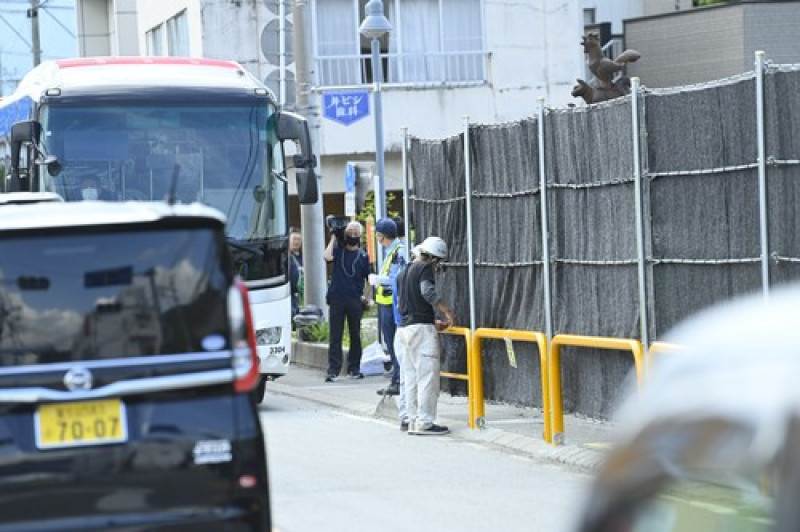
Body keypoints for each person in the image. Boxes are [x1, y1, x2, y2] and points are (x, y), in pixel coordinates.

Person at [394, 236, 457, 435]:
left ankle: (412, 420)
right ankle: (425, 422)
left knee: (411, 377)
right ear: (433, 257)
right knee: (427, 376)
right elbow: (427, 292)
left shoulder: (404, 272)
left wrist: (430, 319)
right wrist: (447, 311)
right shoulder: (424, 268)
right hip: (421, 331)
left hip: (405, 329)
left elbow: (408, 303)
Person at [323, 220, 371, 382]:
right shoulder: (338, 251)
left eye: (355, 233)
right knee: (335, 336)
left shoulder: (363, 256)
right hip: (337, 298)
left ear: (360, 236)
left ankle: (354, 368)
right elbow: (327, 256)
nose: (352, 236)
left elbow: (368, 280)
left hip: (355, 300)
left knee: (355, 335)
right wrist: (334, 237)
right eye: (349, 232)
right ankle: (333, 369)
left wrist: (367, 298)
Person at [372, 218, 406, 397]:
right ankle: (397, 378)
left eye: (377, 234)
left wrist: (379, 280)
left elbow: (398, 278)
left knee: (395, 344)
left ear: (381, 235)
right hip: (386, 303)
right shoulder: (391, 250)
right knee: (392, 343)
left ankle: (399, 380)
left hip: (391, 304)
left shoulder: (398, 252)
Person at [288, 227, 304, 319]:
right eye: (294, 239)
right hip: (290, 296)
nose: (296, 242)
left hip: (303, 296)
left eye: (298, 239)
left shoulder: (305, 257)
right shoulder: (285, 258)